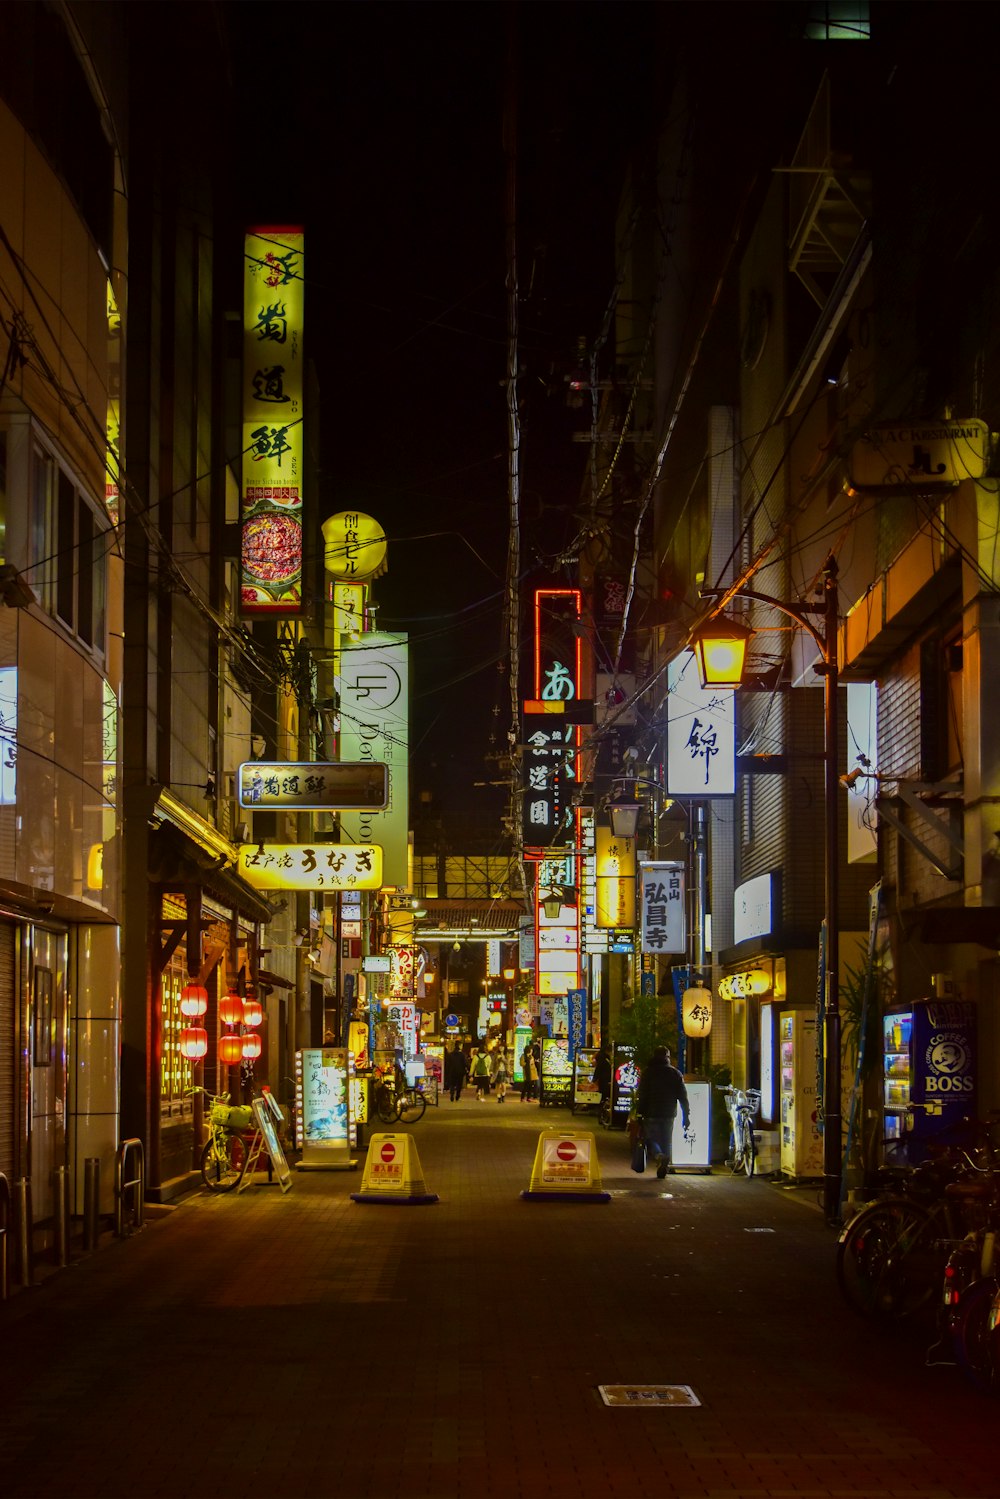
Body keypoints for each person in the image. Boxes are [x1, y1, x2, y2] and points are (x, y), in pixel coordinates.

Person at [636, 1045, 690, 1179]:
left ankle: (659, 1156)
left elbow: (642, 1094)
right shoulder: (675, 1073)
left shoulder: (648, 1072)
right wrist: (686, 1115)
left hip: (651, 1112)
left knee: (651, 1138)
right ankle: (664, 1164)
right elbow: (683, 1096)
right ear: (667, 1057)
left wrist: (639, 1112)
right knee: (666, 1140)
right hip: (669, 1113)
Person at [591, 1045, 612, 1111]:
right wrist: (595, 1078)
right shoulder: (603, 1058)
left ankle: (602, 1110)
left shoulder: (602, 1057)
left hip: (604, 1080)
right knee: (605, 1095)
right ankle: (602, 1110)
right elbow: (599, 1068)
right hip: (605, 1080)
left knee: (604, 1095)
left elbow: (598, 1069)